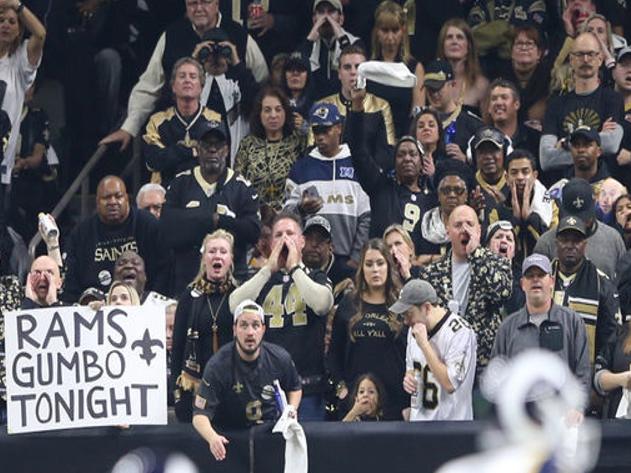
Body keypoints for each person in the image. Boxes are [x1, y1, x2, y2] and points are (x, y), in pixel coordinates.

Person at [99, 0, 268, 151]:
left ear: (217, 4)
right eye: (193, 4)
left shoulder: (238, 34)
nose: (199, 9)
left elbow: (263, 83)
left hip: (236, 130)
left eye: (205, 2)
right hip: (186, 137)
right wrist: (129, 127)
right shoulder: (172, 35)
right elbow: (149, 87)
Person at [228, 212, 334, 420]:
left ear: (302, 241)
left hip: (308, 389)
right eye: (279, 235)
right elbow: (234, 306)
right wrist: (268, 269)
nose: (285, 239)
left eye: (290, 233)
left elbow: (322, 305)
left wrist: (294, 268)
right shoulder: (260, 279)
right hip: (265, 389)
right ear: (269, 242)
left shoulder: (316, 276)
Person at [192, 299, 302, 461]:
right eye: (243, 325)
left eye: (255, 325)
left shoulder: (280, 358)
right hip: (230, 436)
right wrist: (212, 438)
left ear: (263, 329)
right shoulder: (218, 365)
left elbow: (295, 387)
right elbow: (199, 415)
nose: (250, 332)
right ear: (234, 329)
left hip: (269, 434)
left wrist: (291, 408)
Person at [161, 121, 260, 293]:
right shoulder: (180, 184)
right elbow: (168, 230)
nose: (213, 150)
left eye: (218, 145)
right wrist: (211, 220)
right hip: (187, 281)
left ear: (227, 150)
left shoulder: (242, 187)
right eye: (207, 145)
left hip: (233, 284)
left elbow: (252, 231)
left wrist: (218, 220)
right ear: (198, 149)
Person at [419, 204, 512, 374]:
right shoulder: (431, 273)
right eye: (458, 225)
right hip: (444, 364)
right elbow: (423, 320)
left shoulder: (497, 263)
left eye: (469, 224)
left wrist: (476, 254)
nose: (465, 230)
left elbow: (501, 294)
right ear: (448, 232)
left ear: (479, 231)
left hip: (483, 365)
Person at [284, 102, 370, 274]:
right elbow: (286, 218)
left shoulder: (357, 163)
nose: (320, 137)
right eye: (316, 131)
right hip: (310, 260)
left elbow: (365, 217)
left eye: (325, 130)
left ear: (339, 128)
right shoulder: (301, 168)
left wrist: (356, 258)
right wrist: (300, 209)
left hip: (348, 260)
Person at [328, 238, 407, 419]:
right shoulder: (349, 303)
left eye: (380, 263)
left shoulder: (402, 305)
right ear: (362, 268)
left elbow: (411, 354)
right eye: (369, 264)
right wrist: (341, 388)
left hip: (395, 402)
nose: (375, 269)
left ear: (389, 266)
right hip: (355, 400)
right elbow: (334, 353)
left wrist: (407, 401)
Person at [491, 253, 592, 392]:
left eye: (541, 275)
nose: (535, 280)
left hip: (561, 410)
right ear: (522, 284)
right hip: (519, 411)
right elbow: (495, 378)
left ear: (551, 281)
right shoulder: (507, 328)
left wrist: (577, 409)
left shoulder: (573, 322)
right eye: (530, 276)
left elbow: (583, 374)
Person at [347, 86, 436, 242]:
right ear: (394, 163)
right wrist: (357, 105)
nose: (407, 158)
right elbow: (358, 151)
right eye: (401, 154)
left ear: (422, 163)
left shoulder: (431, 199)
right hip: (381, 263)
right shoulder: (380, 187)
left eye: (413, 154)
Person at [63, 176, 169, 302]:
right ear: (97, 202)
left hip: (145, 304)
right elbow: (71, 280)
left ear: (127, 199)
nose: (113, 202)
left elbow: (165, 268)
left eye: (118, 196)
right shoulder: (81, 233)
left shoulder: (148, 225)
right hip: (95, 309)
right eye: (106, 198)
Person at [172, 230, 237, 422]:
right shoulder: (188, 297)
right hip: (195, 388)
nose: (217, 256)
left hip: (231, 386)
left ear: (231, 258)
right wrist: (176, 394)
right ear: (204, 258)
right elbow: (177, 347)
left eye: (223, 252)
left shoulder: (238, 294)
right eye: (212, 251)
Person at [392, 279, 476, 421]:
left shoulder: (460, 332)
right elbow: (411, 368)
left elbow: (450, 383)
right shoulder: (414, 329)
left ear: (427, 308)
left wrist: (425, 345)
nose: (406, 321)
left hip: (452, 426)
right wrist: (408, 378)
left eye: (409, 313)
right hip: (420, 425)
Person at [540, 32, 624, 172]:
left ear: (600, 59)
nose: (585, 60)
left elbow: (611, 144)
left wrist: (566, 143)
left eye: (591, 54)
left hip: (602, 183)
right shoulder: (555, 104)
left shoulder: (612, 99)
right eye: (580, 54)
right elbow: (546, 158)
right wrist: (596, 139)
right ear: (571, 59)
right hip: (565, 185)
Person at [142, 57, 223, 186]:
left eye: (193, 76)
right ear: (173, 86)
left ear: (201, 87)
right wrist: (192, 151)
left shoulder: (214, 120)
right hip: (165, 194)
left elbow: (214, 161)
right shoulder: (157, 121)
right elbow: (153, 161)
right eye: (182, 76)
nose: (187, 80)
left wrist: (171, 153)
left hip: (204, 192)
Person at [552, 215, 621, 363]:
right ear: (556, 243)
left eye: (576, 240)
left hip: (585, 374)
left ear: (585, 244)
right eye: (565, 240)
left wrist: (598, 372)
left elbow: (611, 337)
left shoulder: (601, 284)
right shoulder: (542, 278)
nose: (570, 245)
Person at [317, 44, 395, 171]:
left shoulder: (381, 106)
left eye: (359, 67)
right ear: (339, 74)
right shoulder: (322, 107)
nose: (353, 72)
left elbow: (387, 154)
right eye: (347, 67)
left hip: (369, 180)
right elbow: (311, 150)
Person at [535, 178, 626, 281]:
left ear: (594, 204)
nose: (579, 224)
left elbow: (622, 285)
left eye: (584, 218)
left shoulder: (613, 239)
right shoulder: (546, 243)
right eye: (574, 217)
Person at [234, 85, 306, 212]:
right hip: (255, 216)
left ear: (286, 112)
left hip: (291, 215)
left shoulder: (298, 142)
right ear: (259, 114)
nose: (273, 115)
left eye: (278, 110)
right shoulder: (248, 144)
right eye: (267, 110)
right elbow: (237, 184)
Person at [195, 26, 259, 162]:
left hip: (234, 159)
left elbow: (255, 99)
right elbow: (175, 97)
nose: (216, 58)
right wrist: (194, 60)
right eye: (209, 53)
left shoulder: (237, 83)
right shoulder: (195, 84)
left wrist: (237, 62)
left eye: (223, 53)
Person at [0, 0, 46, 188]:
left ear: (19, 29)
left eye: (12, 22)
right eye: (1, 20)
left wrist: (15, 4)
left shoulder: (20, 62)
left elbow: (40, 34)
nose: (5, 25)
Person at [365, 1, 425, 139]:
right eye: (385, 30)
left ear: (403, 31)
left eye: (395, 30)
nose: (390, 37)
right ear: (376, 32)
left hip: (403, 139)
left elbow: (417, 114)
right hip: (371, 140)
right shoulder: (367, 67)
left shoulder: (415, 68)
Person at [493, 149, 552, 262]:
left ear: (535, 175)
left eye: (525, 172)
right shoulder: (498, 211)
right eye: (514, 173)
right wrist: (515, 220)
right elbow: (494, 249)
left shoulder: (552, 205)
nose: (520, 177)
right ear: (506, 178)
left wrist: (530, 218)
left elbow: (553, 244)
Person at [298, 0, 362, 100]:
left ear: (341, 19)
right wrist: (309, 41)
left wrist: (341, 38)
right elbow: (296, 67)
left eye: (331, 12)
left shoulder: (354, 43)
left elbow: (354, 67)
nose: (326, 18)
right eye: (321, 12)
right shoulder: (308, 45)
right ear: (314, 20)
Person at [416, 158, 475, 265]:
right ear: (438, 195)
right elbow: (415, 259)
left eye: (458, 190)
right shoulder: (424, 223)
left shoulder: (474, 225)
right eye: (446, 190)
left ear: (466, 195)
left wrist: (430, 259)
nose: (452, 195)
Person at [424, 59, 483, 162]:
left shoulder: (472, 125)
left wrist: (467, 160)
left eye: (438, 88)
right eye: (430, 89)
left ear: (453, 85)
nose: (434, 94)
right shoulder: (417, 121)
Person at [497, 24, 552, 126]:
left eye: (529, 44)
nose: (524, 47)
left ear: (539, 53)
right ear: (511, 52)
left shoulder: (548, 76)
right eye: (519, 43)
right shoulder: (500, 74)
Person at [436, 18, 489, 113]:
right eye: (449, 37)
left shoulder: (481, 85)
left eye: (459, 37)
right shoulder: (432, 82)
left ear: (469, 46)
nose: (454, 41)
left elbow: (486, 125)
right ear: (442, 45)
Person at [485, 78, 541, 163]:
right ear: (489, 108)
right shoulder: (480, 140)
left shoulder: (534, 139)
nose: (499, 103)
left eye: (504, 97)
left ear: (516, 104)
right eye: (494, 99)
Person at [486, 220, 525, 316]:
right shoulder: (477, 271)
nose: (504, 241)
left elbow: (517, 309)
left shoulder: (522, 278)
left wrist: (506, 267)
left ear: (514, 251)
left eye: (509, 239)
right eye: (498, 237)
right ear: (487, 246)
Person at [280, 52, 313, 134]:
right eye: (290, 69)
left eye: (300, 69)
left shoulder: (317, 103)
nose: (295, 73)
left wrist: (305, 127)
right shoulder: (275, 100)